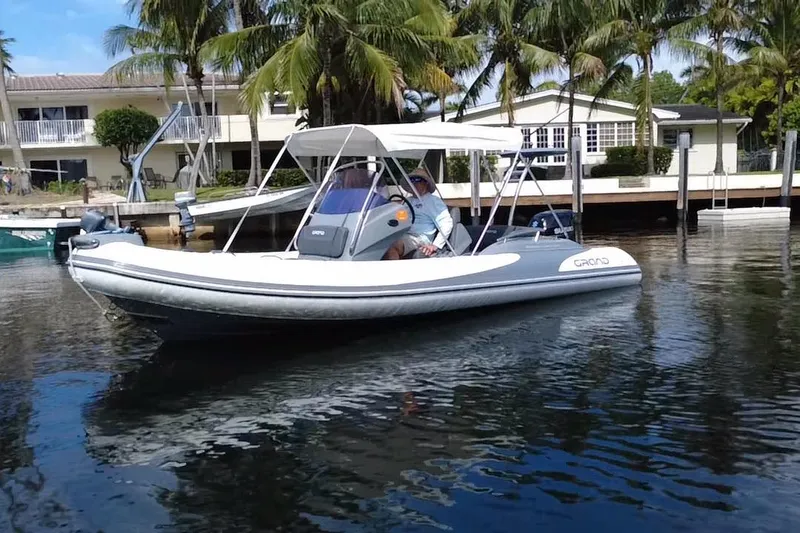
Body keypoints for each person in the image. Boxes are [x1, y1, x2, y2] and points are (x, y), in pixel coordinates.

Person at [383, 167, 453, 260]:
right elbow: (399, 219)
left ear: (426, 183)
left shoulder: (433, 201)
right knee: (378, 244)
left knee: (392, 247)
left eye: (418, 179)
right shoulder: (407, 201)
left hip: (420, 237)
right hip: (404, 234)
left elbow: (446, 223)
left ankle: (395, 274)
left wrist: (436, 245)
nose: (414, 182)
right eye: (411, 180)